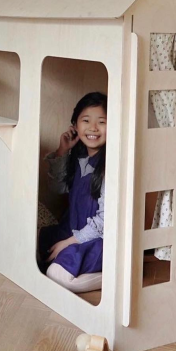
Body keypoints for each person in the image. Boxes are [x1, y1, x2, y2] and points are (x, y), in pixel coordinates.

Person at [38, 92, 107, 293]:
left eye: (102, 122)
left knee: (56, 275)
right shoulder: (79, 157)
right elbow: (57, 187)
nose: (93, 128)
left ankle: (118, 277)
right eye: (86, 121)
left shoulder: (110, 165)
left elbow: (105, 221)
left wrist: (68, 243)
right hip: (72, 230)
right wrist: (63, 151)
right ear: (75, 126)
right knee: (29, 244)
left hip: (98, 240)